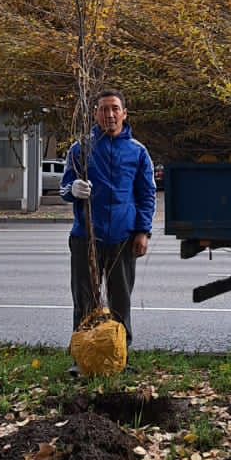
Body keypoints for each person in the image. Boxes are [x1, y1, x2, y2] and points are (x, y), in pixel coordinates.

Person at [61, 89, 156, 354]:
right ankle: (82, 355)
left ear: (124, 114)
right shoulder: (81, 149)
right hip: (86, 238)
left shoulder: (138, 153)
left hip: (122, 239)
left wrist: (143, 232)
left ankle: (118, 354)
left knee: (120, 301)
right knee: (85, 301)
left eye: (115, 108)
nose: (110, 114)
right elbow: (64, 187)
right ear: (95, 114)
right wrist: (73, 189)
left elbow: (146, 194)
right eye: (104, 109)